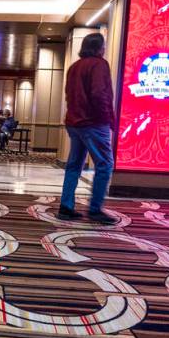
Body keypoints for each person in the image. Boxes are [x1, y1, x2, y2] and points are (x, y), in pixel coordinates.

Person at [59, 32, 117, 225]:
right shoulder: (99, 64)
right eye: (104, 46)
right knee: (105, 164)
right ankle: (95, 209)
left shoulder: (74, 67)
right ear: (99, 47)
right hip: (93, 122)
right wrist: (108, 118)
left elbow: (69, 94)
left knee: (74, 165)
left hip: (74, 122)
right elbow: (100, 94)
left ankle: (66, 206)